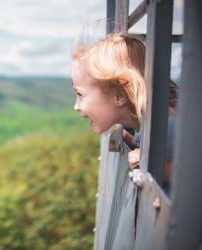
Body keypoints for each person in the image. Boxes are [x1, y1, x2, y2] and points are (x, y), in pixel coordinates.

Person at [71, 33, 176, 188]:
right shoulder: (147, 124)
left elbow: (189, 174)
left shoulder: (168, 123)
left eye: (80, 94)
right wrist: (135, 144)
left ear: (119, 97)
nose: (76, 106)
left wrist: (149, 160)